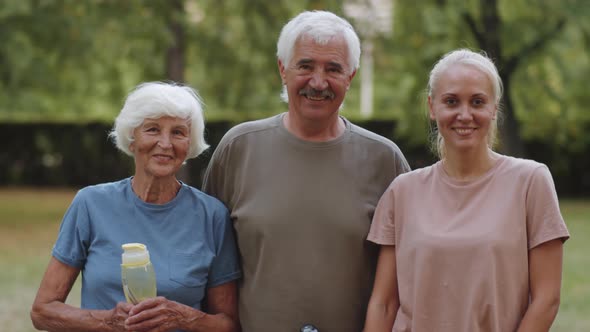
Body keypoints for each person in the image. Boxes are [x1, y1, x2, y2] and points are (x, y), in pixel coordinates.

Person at [202, 10, 410, 332]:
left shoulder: (385, 160)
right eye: (306, 66)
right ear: (283, 69)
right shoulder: (238, 149)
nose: (318, 82)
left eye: (333, 69)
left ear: (350, 77)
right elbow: (209, 261)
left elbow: (405, 276)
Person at [363, 49, 570, 332]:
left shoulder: (530, 182)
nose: (464, 114)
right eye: (451, 101)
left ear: (494, 108)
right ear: (432, 108)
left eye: (477, 102)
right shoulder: (403, 191)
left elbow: (547, 300)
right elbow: (384, 304)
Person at [30, 82, 241, 332]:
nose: (165, 143)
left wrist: (184, 317)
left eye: (178, 132)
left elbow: (229, 324)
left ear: (189, 144)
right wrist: (107, 321)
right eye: (152, 129)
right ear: (132, 139)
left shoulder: (213, 216)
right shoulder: (90, 204)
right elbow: (42, 311)